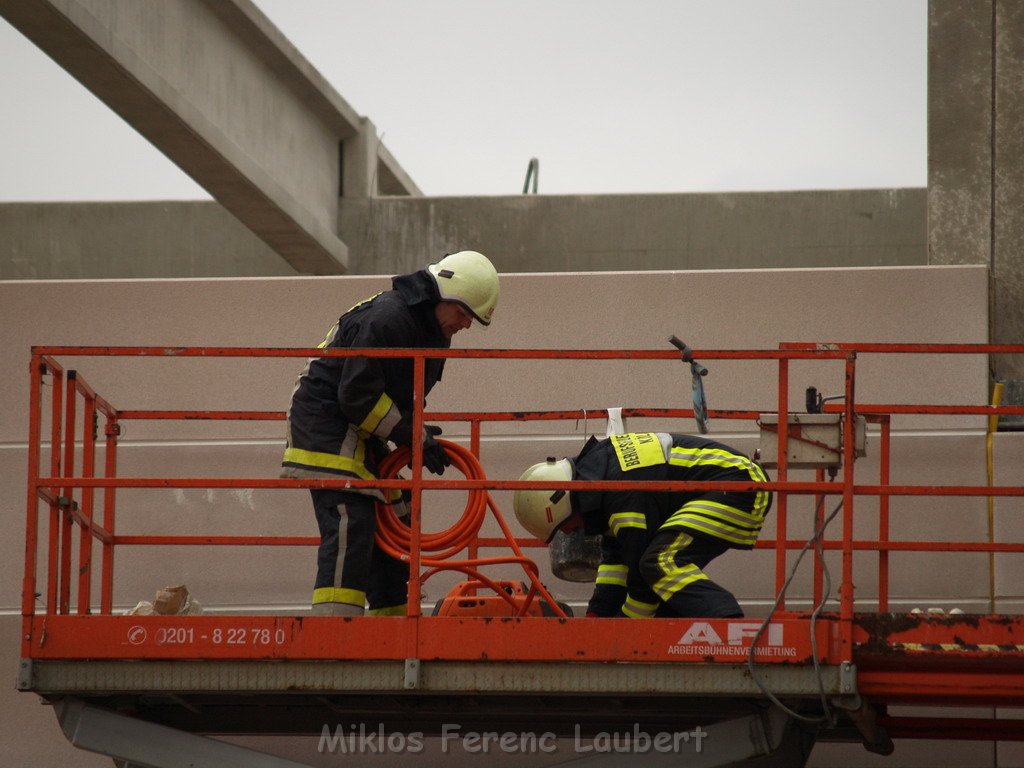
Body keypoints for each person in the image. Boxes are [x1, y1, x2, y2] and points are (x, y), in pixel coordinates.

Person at [282, 251, 500, 616]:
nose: (465, 325)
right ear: (444, 293)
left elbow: (401, 394)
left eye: (472, 320)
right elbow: (355, 394)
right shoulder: (390, 317)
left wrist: (415, 433)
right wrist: (411, 435)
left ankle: (396, 634)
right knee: (352, 520)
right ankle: (336, 638)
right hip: (326, 424)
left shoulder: (433, 330)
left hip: (361, 428)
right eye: (463, 313)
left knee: (397, 517)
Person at [513, 431, 771, 619]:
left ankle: (730, 627)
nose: (569, 533)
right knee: (659, 579)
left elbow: (639, 573)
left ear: (562, 502)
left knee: (659, 563)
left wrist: (627, 630)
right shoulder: (602, 479)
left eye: (563, 526)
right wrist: (596, 617)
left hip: (741, 486)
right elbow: (618, 562)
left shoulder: (620, 492)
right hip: (726, 483)